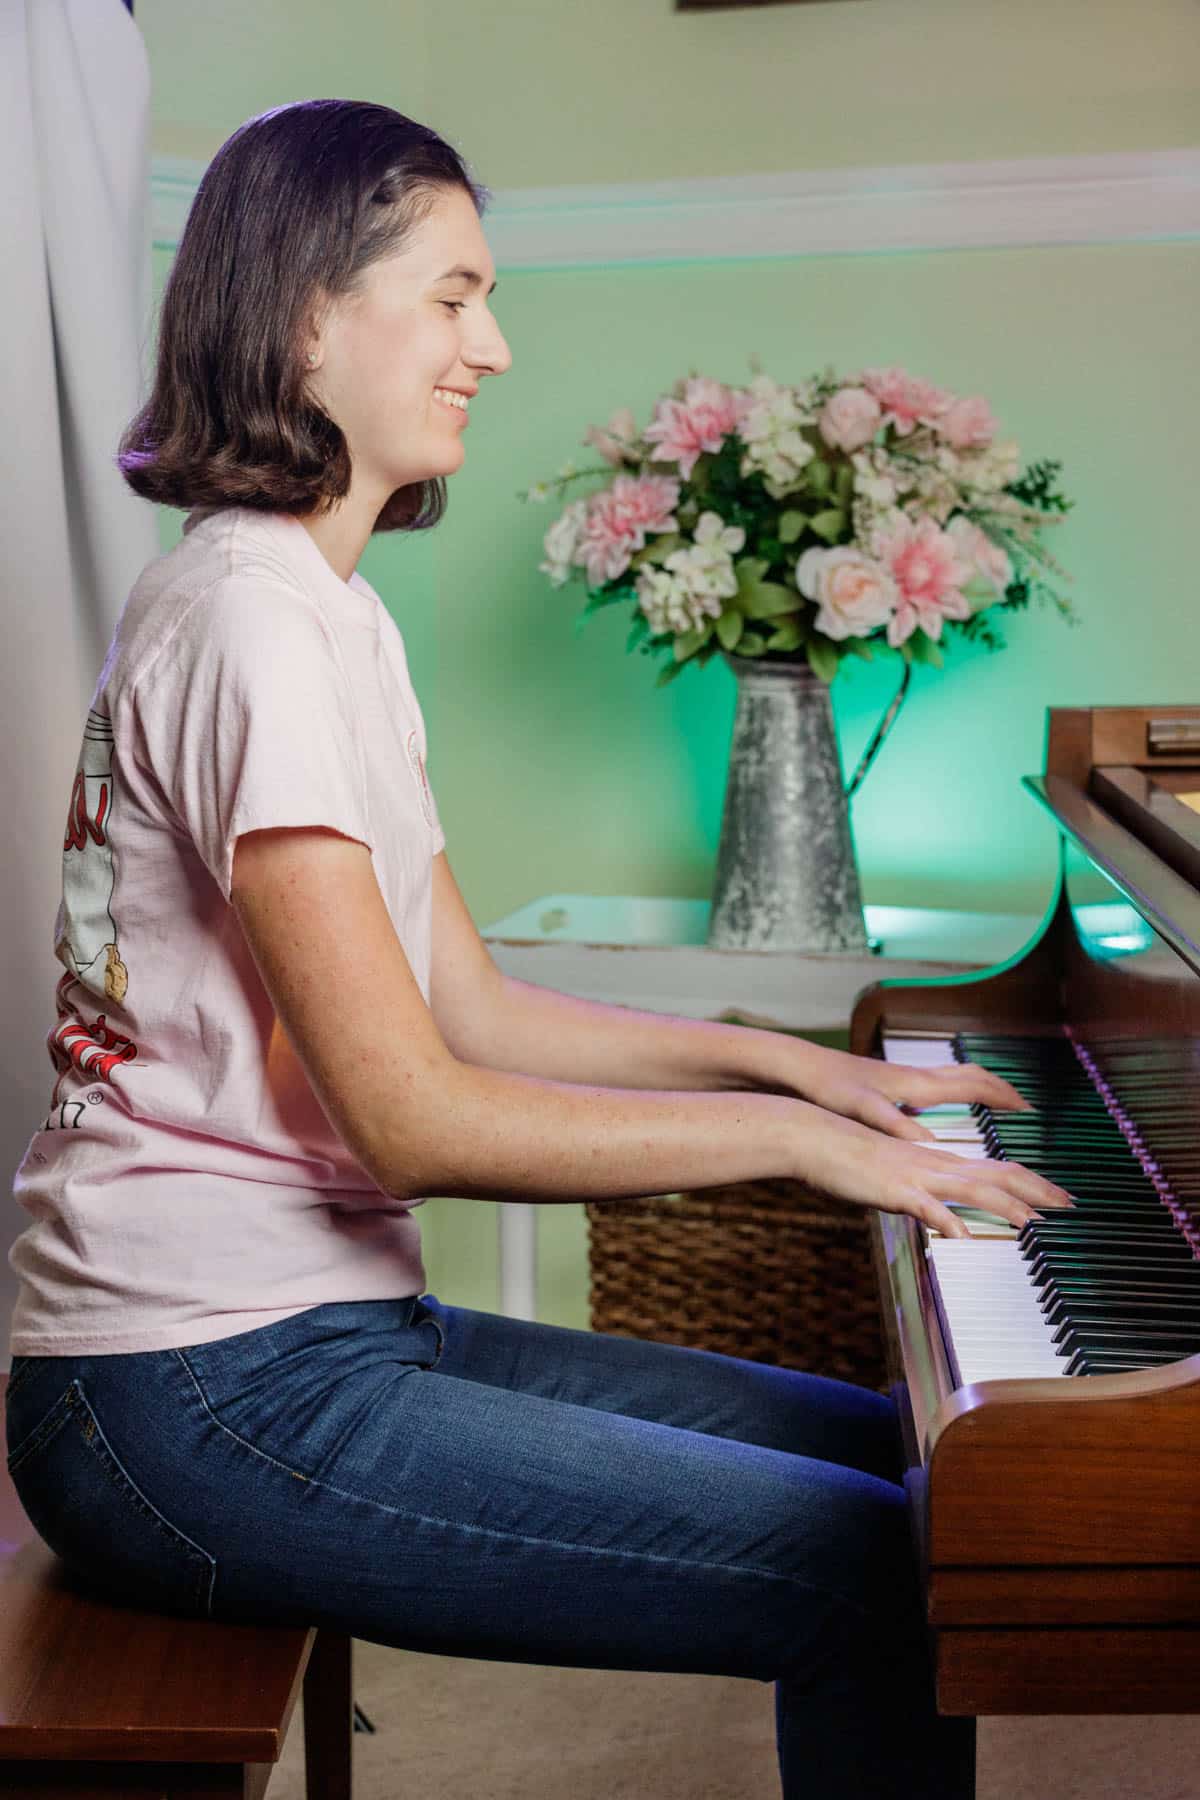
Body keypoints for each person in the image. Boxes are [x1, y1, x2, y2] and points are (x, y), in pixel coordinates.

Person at [5, 99, 1070, 1799]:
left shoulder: (330, 613)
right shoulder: (253, 624)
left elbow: (467, 1005)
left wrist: (791, 1059)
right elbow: (413, 1117)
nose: (492, 346)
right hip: (189, 1393)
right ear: (303, 317)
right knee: (873, 1570)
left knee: (916, 1470)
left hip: (313, 1331)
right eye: (452, 297)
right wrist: (796, 1150)